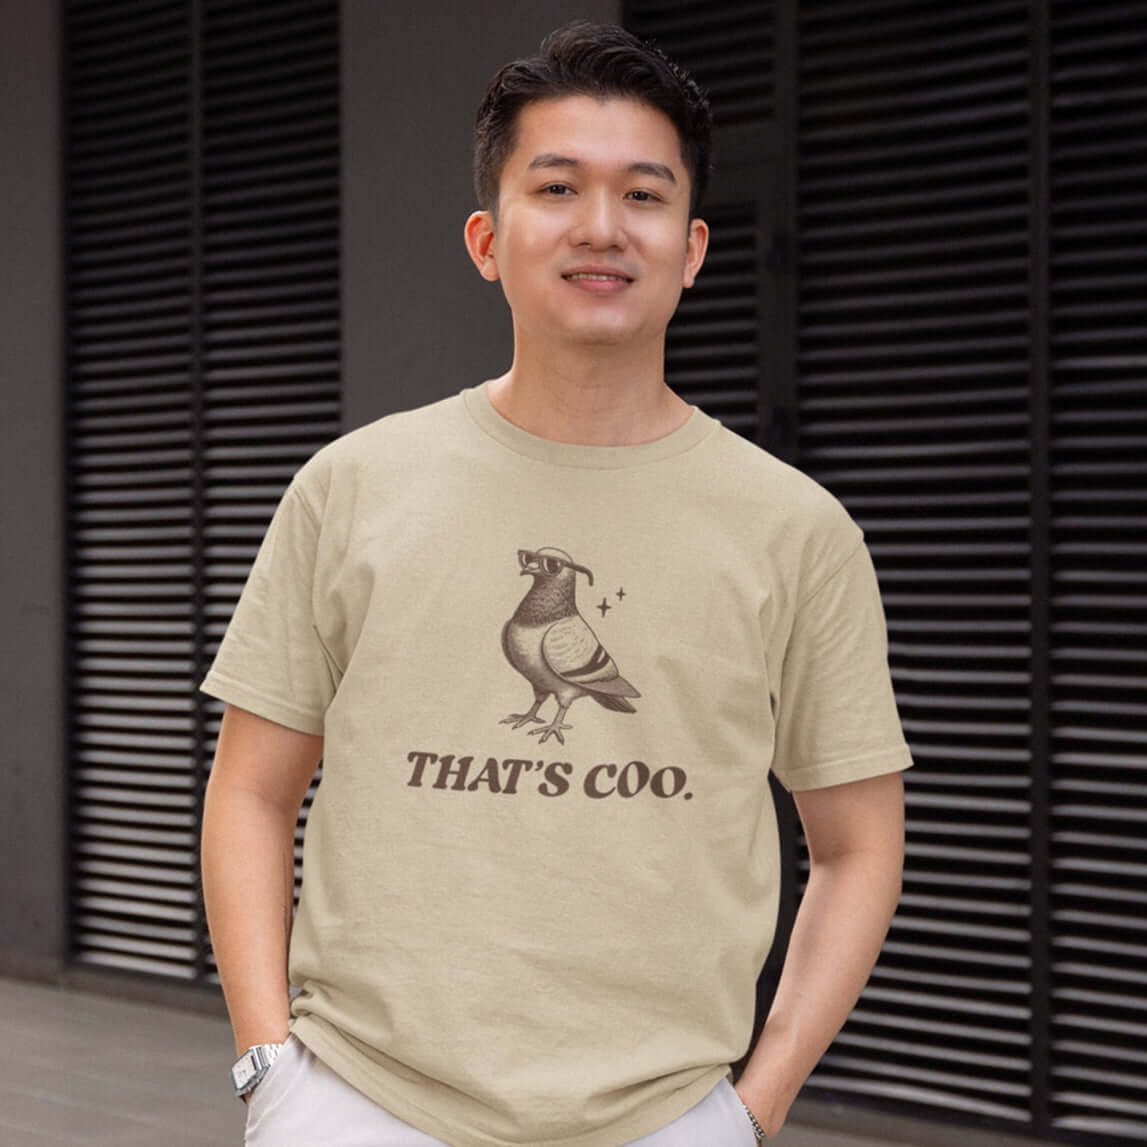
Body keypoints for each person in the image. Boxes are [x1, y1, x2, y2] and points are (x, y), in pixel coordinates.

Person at [199, 18, 913, 1147]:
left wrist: (749, 1110)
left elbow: (860, 842)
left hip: (661, 1116)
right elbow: (250, 789)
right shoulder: (352, 487)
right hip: (363, 1102)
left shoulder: (795, 531)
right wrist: (271, 1071)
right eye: (557, 187)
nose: (599, 228)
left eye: (642, 195)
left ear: (693, 246)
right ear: (486, 238)